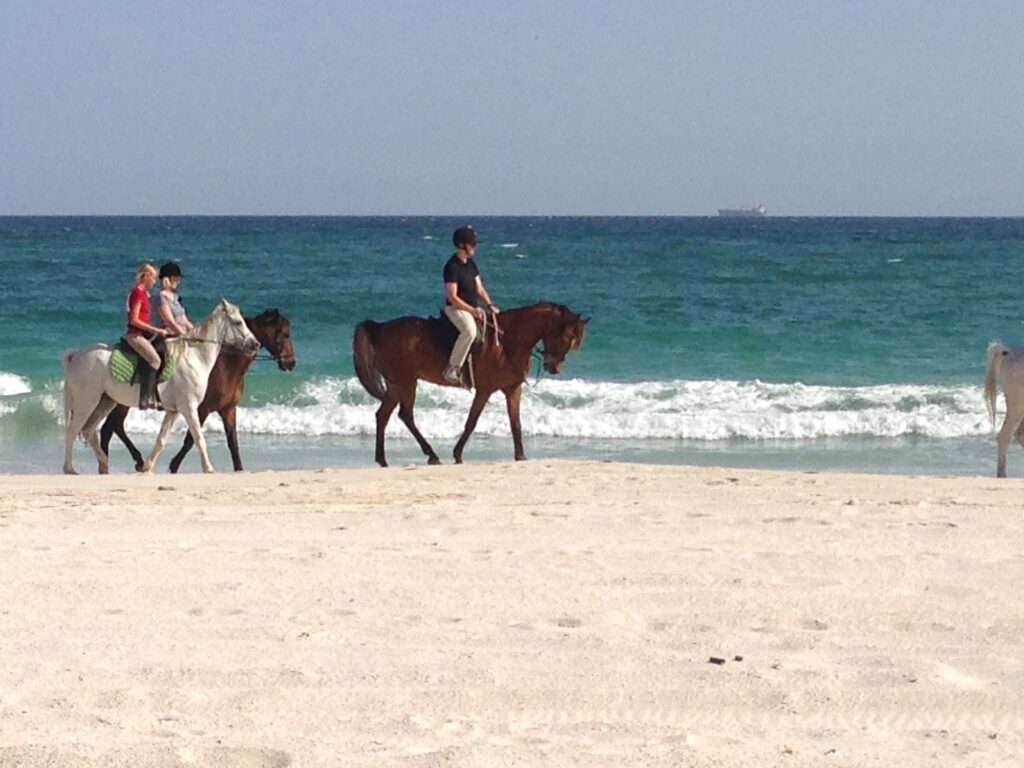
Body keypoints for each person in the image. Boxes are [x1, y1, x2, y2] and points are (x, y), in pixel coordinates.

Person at [442, 225, 499, 383]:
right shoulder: (451, 267)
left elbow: (479, 288)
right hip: (456, 309)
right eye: (472, 244)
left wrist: (490, 305)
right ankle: (452, 368)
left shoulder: (471, 265)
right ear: (462, 245)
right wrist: (472, 310)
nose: (475, 247)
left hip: (472, 308)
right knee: (470, 331)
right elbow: (452, 297)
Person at [124, 262, 168, 410]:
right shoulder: (138, 292)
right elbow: (134, 319)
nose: (155, 281)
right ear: (146, 276)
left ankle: (157, 395)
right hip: (135, 335)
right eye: (153, 278)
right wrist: (154, 328)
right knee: (155, 360)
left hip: (143, 333)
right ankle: (145, 398)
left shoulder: (143, 293)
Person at [151, 261, 194, 336]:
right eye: (176, 279)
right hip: (170, 336)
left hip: (181, 334)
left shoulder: (175, 297)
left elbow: (185, 321)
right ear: (169, 279)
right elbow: (170, 322)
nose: (178, 282)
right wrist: (184, 335)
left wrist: (195, 332)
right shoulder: (161, 297)